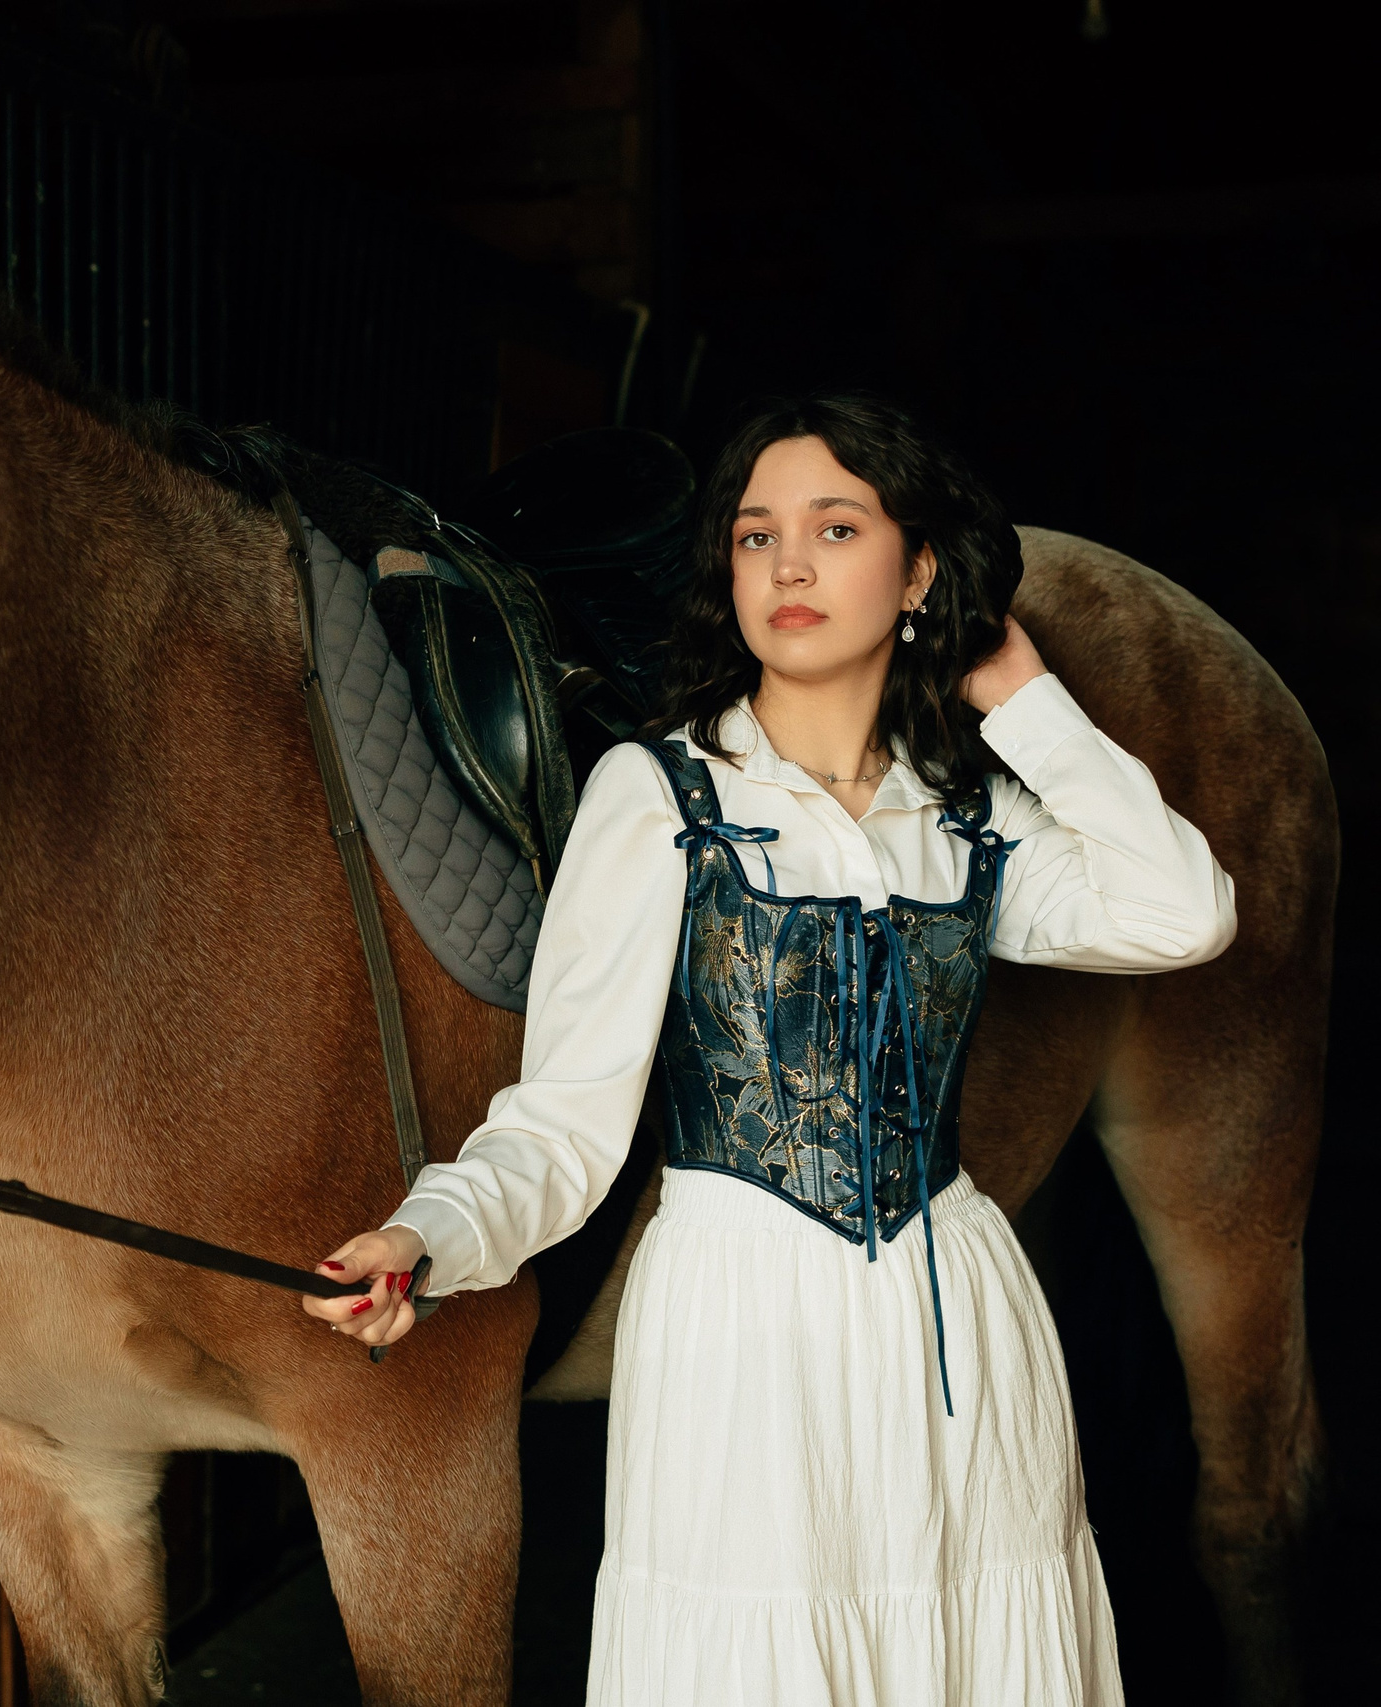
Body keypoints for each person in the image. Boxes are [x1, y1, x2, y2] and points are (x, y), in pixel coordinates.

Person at [306, 394, 1234, 1705]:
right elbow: (561, 1129)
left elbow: (1184, 911)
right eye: (754, 536)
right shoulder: (664, 800)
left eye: (834, 527)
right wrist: (427, 1236)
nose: (787, 565)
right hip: (740, 1334)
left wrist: (1028, 703)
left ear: (917, 573)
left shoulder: (971, 818)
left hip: (959, 1323)